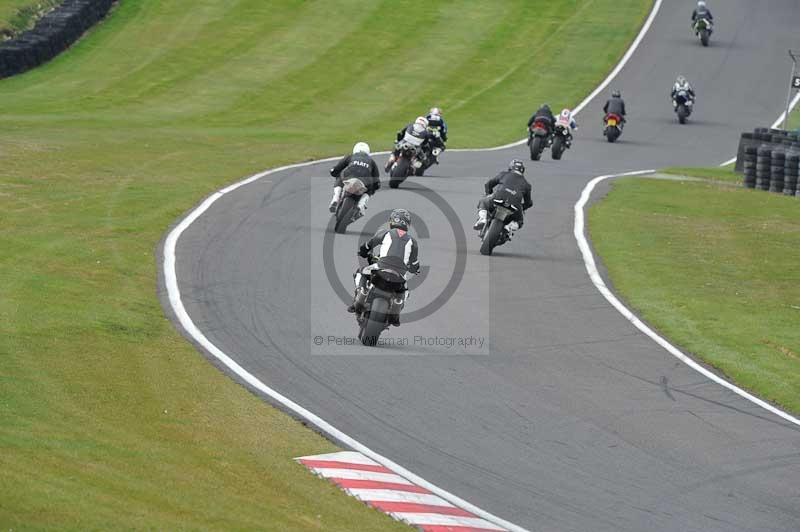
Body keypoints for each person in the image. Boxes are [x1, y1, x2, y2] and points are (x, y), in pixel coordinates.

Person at [348, 208, 420, 326]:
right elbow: (414, 265)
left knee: (361, 272)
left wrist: (363, 251)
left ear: (392, 221)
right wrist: (415, 269)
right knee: (405, 290)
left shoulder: (385, 233)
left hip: (380, 268)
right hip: (399, 277)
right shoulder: (413, 242)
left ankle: (362, 292)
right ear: (407, 224)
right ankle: (396, 307)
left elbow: (367, 245)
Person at [473, 159, 533, 233]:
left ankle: (482, 219)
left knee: (483, 201)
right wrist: (522, 208)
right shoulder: (527, 185)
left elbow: (488, 184)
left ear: (510, 168)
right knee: (519, 221)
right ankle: (509, 227)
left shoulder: (504, 174)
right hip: (515, 204)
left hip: (498, 197)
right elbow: (528, 203)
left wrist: (488, 194)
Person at [329, 142, 381, 213]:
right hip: (364, 182)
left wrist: (333, 172)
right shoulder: (371, 161)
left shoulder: (350, 156)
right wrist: (375, 186)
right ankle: (362, 204)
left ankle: (336, 198)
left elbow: (337, 169)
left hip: (349, 177)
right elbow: (376, 179)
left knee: (339, 176)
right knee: (371, 189)